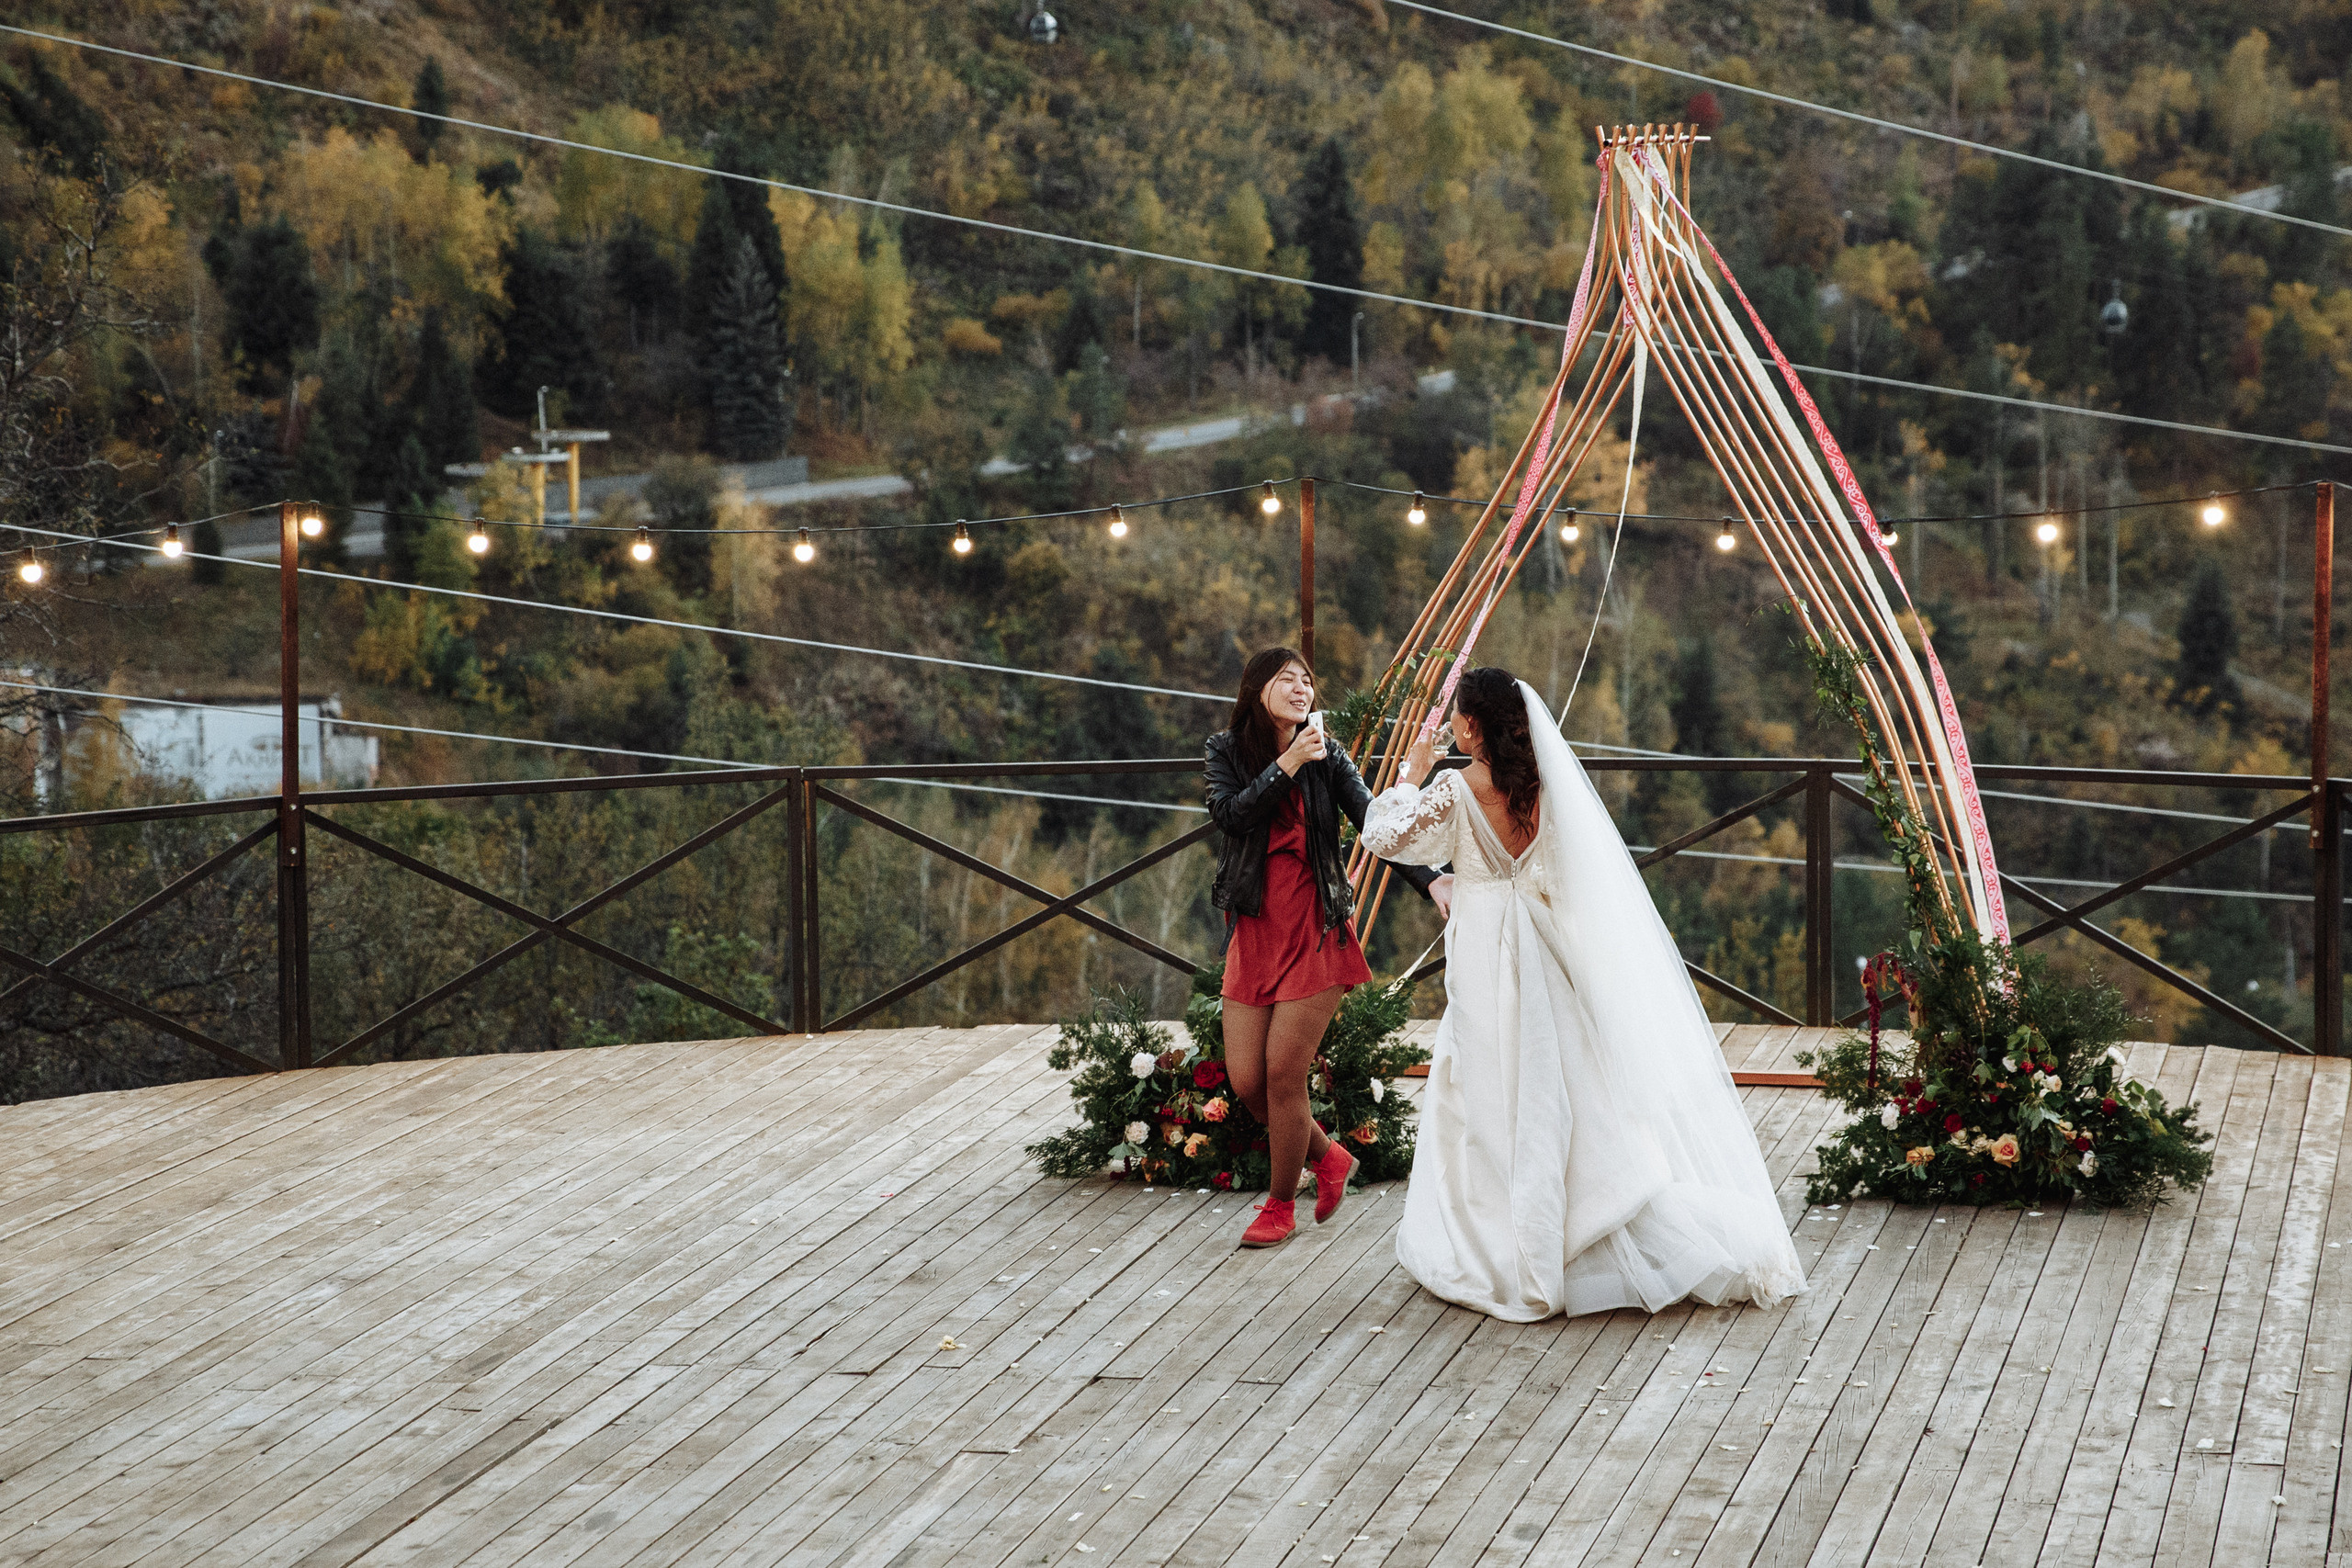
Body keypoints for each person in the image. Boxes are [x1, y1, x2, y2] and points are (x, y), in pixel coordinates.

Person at [1361, 666, 1805, 1320]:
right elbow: (1573, 878)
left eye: (1457, 714)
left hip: (1485, 948)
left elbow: (1382, 835)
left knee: (1486, 1089)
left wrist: (1410, 772)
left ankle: (1504, 1238)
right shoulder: (1544, 788)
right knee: (1556, 1083)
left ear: (1473, 724)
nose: (1451, 723)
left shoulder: (1455, 789)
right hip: (1541, 944)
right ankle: (1583, 1215)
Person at [1205, 647, 1451, 1249]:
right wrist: (1287, 762)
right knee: (1248, 1083)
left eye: (1307, 679)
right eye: (1286, 678)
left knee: (1285, 1075)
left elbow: (1375, 824)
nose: (1300, 687)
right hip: (1256, 933)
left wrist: (1434, 877)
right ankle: (1330, 1158)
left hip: (1315, 931)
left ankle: (1281, 1203)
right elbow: (1231, 816)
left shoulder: (1328, 754)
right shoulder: (1227, 751)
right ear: (1257, 689)